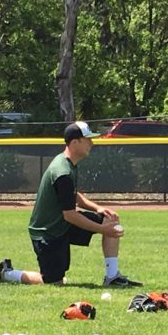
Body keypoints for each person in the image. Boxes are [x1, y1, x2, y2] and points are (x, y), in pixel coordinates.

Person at [28, 121, 141, 287]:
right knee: (54, 282)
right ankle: (8, 273)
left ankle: (112, 277)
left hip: (62, 224)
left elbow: (73, 195)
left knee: (109, 219)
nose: (92, 143)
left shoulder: (68, 163)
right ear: (75, 142)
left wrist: (98, 208)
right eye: (87, 139)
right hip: (47, 233)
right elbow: (70, 214)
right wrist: (102, 229)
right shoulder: (63, 171)